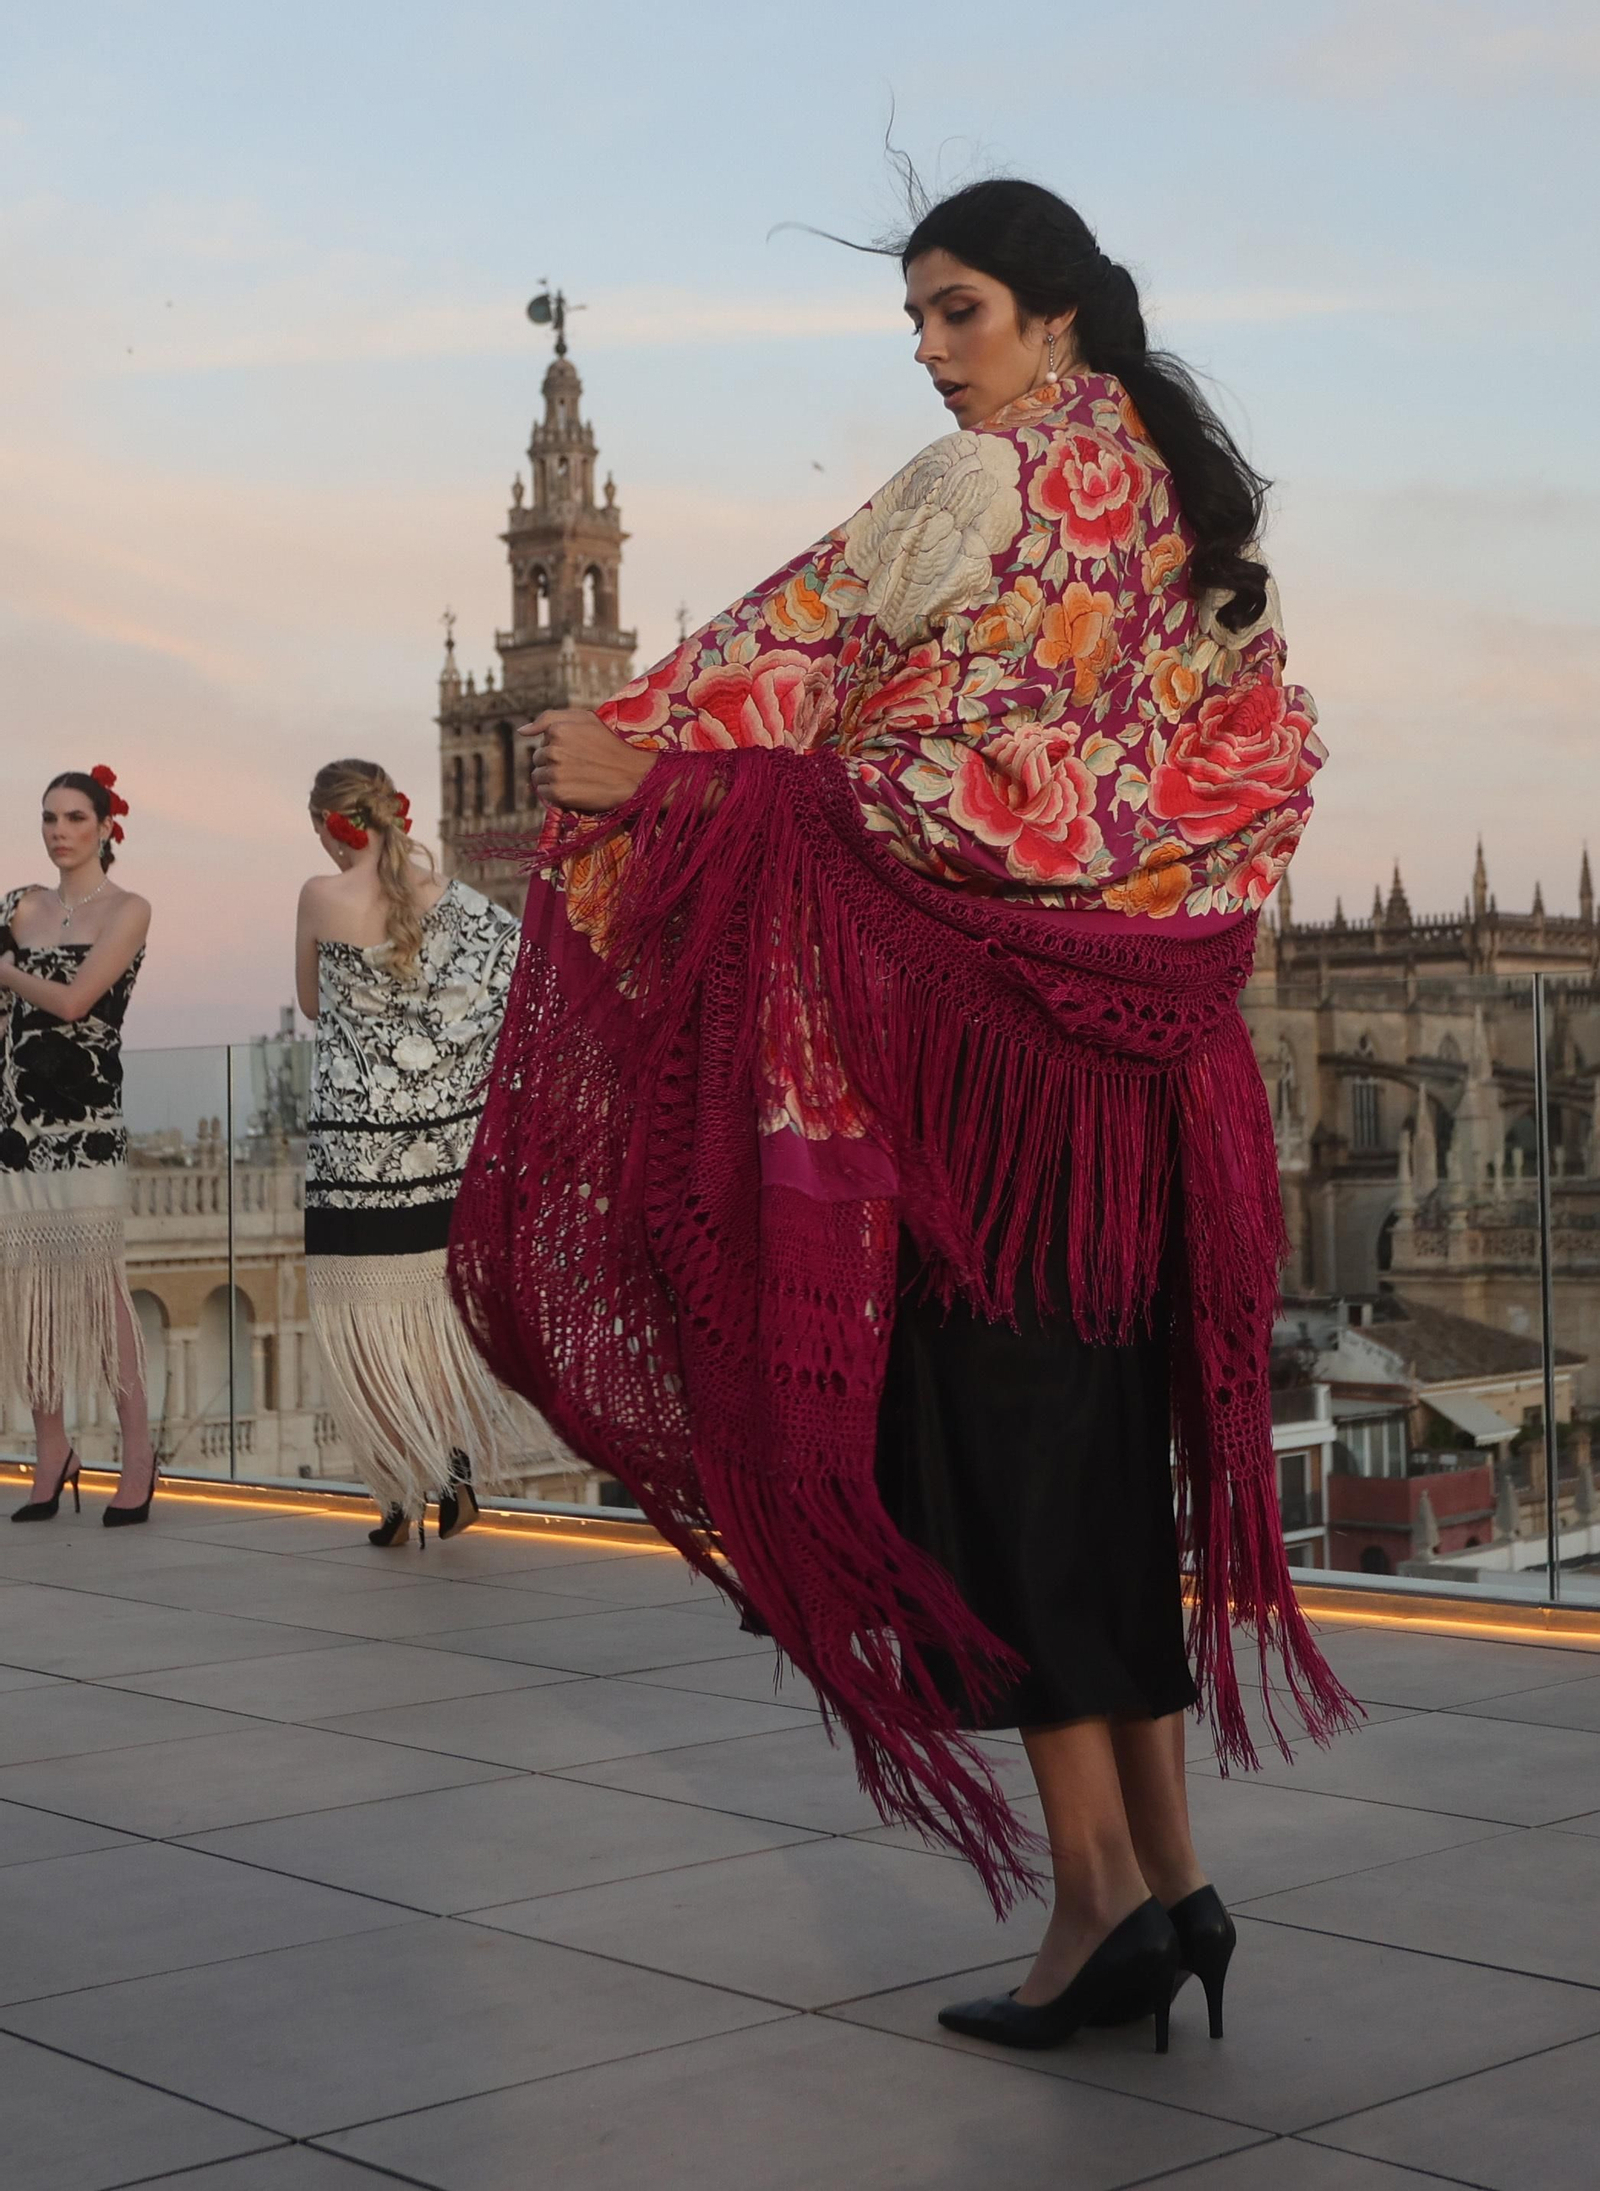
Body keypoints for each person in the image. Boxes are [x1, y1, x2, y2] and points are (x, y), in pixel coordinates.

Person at [451, 179, 1357, 2053]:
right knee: (1105, 1474)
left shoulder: (988, 488)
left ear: (1053, 319)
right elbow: (1223, 760)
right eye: (922, 326)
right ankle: (1171, 1880)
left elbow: (808, 676)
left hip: (977, 1094)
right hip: (1133, 1092)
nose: (936, 358)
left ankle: (1098, 1905)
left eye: (960, 315)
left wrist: (655, 773)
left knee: (1001, 1485)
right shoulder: (1167, 503)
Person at [296, 758, 571, 1545]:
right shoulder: (445, 892)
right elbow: (520, 973)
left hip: (355, 1153)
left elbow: (315, 1003)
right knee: (433, 1316)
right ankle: (455, 1473)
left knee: (368, 1320)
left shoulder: (320, 896)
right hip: (438, 1150)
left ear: (327, 824)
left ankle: (393, 1491)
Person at [1, 767, 159, 1526]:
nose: (58, 831)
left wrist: (3, 969)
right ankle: (52, 1449)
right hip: (14, 1125)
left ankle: (137, 1454)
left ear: (104, 826)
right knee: (26, 1292)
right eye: (47, 819)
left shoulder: (129, 909)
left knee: (101, 1293)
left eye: (72, 817)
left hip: (87, 1123)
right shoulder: (18, 905)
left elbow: (74, 1001)